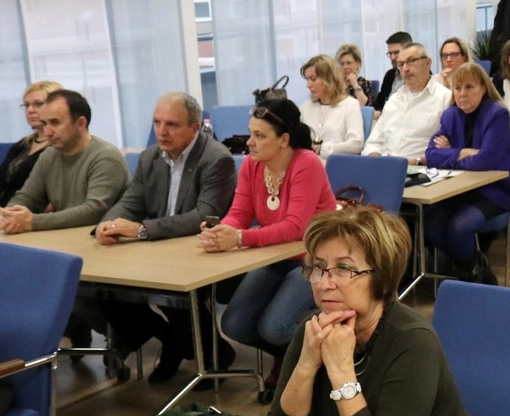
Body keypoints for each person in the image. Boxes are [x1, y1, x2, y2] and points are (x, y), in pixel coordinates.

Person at [271, 207, 488, 416]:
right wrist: (307, 366)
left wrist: (341, 371)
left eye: (344, 269)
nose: (324, 283)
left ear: (381, 278)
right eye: (319, 268)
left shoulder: (413, 342)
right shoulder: (314, 331)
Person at [94, 93, 237, 382]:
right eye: (157, 122)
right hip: (156, 249)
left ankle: (214, 355)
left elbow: (203, 215)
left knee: (178, 293)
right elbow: (131, 201)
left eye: (171, 124)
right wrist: (108, 223)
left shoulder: (216, 158)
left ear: (194, 128)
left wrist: (142, 229)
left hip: (199, 252)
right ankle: (169, 338)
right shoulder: (150, 157)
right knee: (105, 289)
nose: (161, 131)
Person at [204, 99, 336, 395]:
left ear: (284, 139)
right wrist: (221, 231)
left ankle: (310, 363)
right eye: (251, 133)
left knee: (275, 327)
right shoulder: (252, 165)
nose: (249, 142)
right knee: (234, 325)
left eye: (259, 136)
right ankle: (288, 356)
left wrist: (239, 239)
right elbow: (239, 214)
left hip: (318, 261)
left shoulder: (307, 163)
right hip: (275, 256)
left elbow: (295, 228)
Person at [423, 62, 510, 286]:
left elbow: (486, 161)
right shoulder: (450, 115)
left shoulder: (496, 114)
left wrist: (450, 154)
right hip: (460, 188)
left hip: (496, 189)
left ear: (483, 88)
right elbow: (431, 156)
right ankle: (475, 268)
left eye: (469, 87)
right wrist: (463, 152)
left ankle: (470, 278)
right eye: (457, 88)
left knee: (460, 227)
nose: (462, 94)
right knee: (431, 223)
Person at [0, 88, 129, 235]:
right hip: (64, 235)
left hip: (100, 237)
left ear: (80, 123)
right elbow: (28, 197)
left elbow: (94, 211)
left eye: (55, 123)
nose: (47, 132)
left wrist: (33, 222)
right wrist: (10, 216)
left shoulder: (106, 157)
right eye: (44, 123)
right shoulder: (49, 155)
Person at [362, 42, 451, 165]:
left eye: (411, 61)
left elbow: (447, 149)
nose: (405, 69)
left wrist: (417, 162)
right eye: (400, 64)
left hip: (421, 170)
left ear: (428, 63)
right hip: (384, 168)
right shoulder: (394, 100)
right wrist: (375, 156)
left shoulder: (445, 98)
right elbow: (373, 142)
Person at [0, 80, 60, 206]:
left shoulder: (60, 146)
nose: (30, 110)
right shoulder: (22, 144)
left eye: (38, 104)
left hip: (26, 213)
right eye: (27, 105)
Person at [298, 55, 363, 160]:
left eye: (313, 79)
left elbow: (356, 144)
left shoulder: (350, 104)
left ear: (328, 79)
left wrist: (324, 149)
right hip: (309, 163)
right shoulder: (305, 107)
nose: (308, 85)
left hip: (335, 164)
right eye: (307, 80)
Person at [371, 31, 412, 115]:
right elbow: (379, 103)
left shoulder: (418, 75)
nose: (392, 58)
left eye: (396, 53)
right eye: (390, 54)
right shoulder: (390, 75)